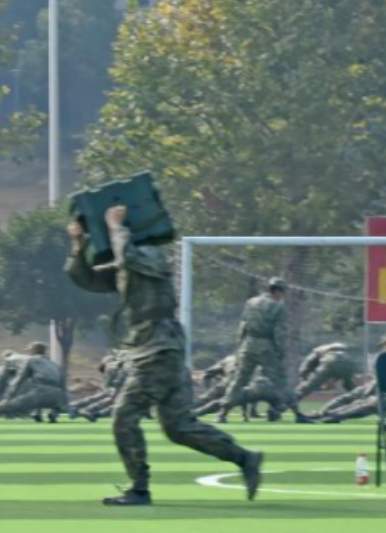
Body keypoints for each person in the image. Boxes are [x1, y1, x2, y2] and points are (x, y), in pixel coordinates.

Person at [65, 204, 263, 505]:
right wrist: (79, 244)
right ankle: (245, 458)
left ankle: (139, 488)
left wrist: (116, 225)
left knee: (123, 417)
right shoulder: (126, 263)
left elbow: (128, 257)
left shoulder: (150, 254)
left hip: (159, 350)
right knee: (178, 427)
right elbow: (86, 279)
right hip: (156, 350)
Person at [218, 278, 291, 423]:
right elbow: (279, 333)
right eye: (282, 292)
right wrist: (280, 351)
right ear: (278, 291)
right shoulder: (278, 307)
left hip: (248, 345)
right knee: (279, 380)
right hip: (266, 347)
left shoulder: (251, 303)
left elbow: (243, 327)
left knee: (238, 381)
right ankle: (287, 409)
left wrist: (240, 346)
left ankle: (223, 412)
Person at [293, 342, 359, 414]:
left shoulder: (318, 351)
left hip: (330, 362)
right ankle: (360, 404)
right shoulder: (344, 351)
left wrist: (304, 379)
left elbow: (306, 366)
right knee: (352, 390)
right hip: (348, 365)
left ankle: (289, 402)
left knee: (306, 388)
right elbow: (340, 367)